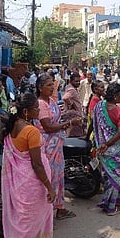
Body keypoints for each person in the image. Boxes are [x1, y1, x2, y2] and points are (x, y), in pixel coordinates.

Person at [1, 93, 55, 238]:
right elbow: (37, 164)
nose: (39, 111)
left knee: (23, 222)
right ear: (26, 111)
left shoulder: (12, 127)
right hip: (33, 186)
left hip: (20, 184)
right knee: (32, 223)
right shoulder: (31, 131)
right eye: (36, 108)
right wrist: (49, 187)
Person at [34, 73, 78, 221]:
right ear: (40, 88)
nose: (52, 87)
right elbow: (48, 127)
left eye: (53, 84)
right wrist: (69, 124)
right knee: (49, 177)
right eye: (48, 85)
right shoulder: (40, 104)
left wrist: (68, 116)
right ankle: (46, 212)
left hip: (56, 147)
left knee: (58, 177)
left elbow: (56, 119)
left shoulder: (51, 101)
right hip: (47, 147)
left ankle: (59, 208)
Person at [93, 82, 120, 216]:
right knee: (116, 177)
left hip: (102, 148)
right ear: (115, 96)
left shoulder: (99, 106)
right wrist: (108, 145)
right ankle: (110, 207)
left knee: (109, 176)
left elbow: (94, 125)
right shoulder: (119, 111)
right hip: (115, 149)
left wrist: (101, 144)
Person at [62, 72, 85, 137]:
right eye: (76, 81)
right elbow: (65, 97)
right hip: (74, 116)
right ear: (71, 81)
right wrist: (71, 105)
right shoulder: (71, 89)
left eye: (79, 81)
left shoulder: (70, 87)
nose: (78, 83)